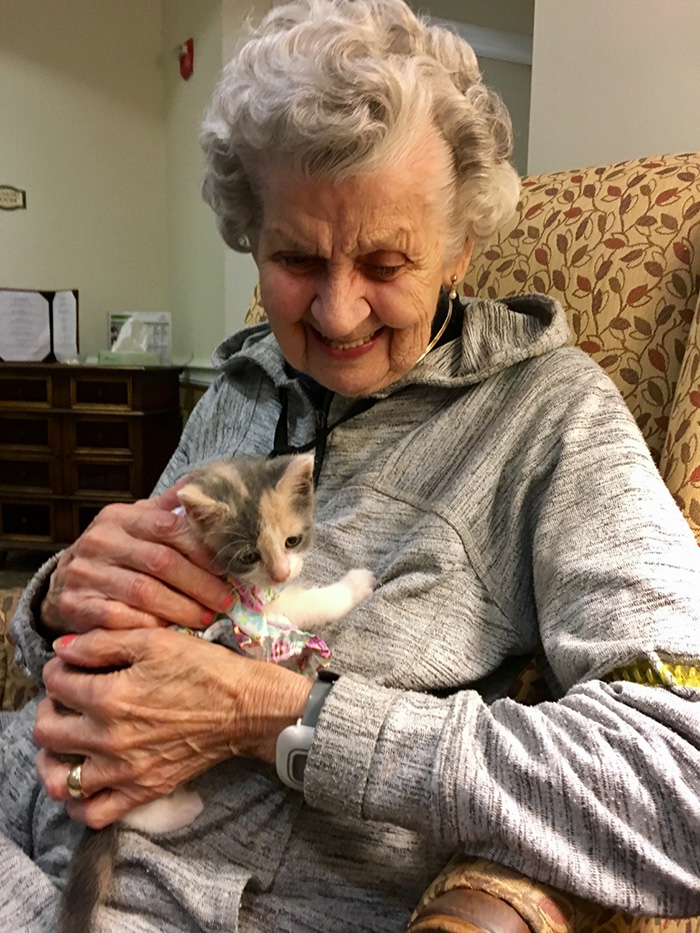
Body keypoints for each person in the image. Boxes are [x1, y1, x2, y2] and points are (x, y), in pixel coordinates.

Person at [3, 0, 700, 930]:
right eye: (295, 256)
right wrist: (54, 604)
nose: (335, 316)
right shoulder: (243, 383)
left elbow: (680, 781)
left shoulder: (549, 420)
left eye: (385, 260)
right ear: (251, 237)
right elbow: (110, 632)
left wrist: (276, 714)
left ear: (460, 247)